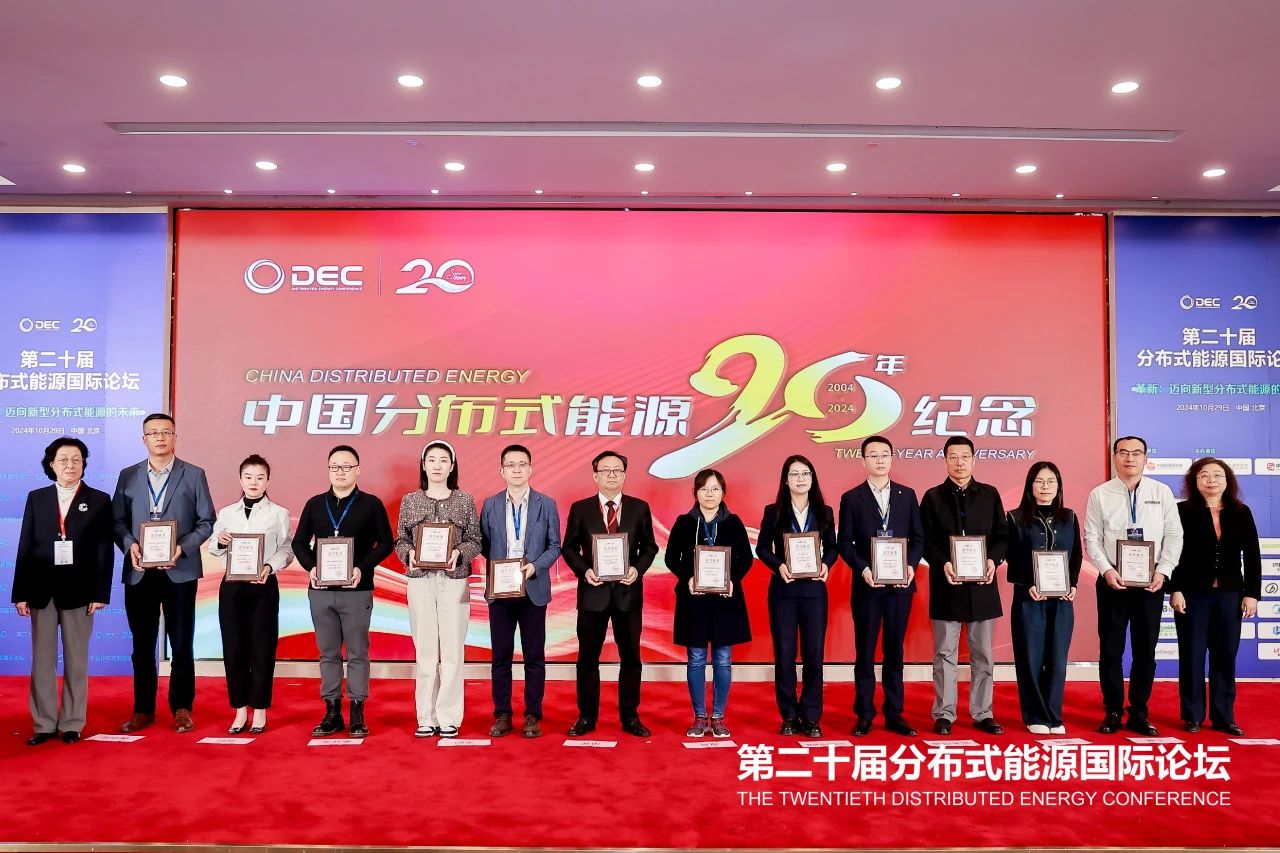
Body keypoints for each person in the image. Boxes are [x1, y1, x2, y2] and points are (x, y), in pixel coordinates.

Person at [112, 413, 215, 734]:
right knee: (142, 645)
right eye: (153, 433)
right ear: (144, 439)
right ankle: (143, 709)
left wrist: (182, 548)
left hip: (179, 571)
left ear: (175, 437)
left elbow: (206, 521)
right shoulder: (128, 475)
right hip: (139, 571)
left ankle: (182, 709)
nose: (160, 437)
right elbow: (117, 521)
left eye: (166, 432)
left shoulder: (194, 474)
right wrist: (129, 545)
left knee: (182, 644)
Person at [12, 437, 114, 745]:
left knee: (76, 660)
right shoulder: (37, 498)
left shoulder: (99, 500)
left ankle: (72, 722)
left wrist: (100, 593)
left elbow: (104, 551)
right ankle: (43, 724)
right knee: (42, 660)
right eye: (64, 459)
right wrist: (20, 592)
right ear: (52, 464)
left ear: (84, 463)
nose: (71, 464)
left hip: (81, 592)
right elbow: (25, 546)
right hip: (41, 590)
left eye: (77, 459)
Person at [1084, 435, 1183, 736]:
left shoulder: (1161, 492)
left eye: (1136, 453)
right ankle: (1113, 710)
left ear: (1145, 458)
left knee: (1145, 650)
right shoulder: (1100, 494)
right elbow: (1092, 538)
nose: (1130, 458)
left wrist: (1163, 572)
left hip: (1151, 582)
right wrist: (1105, 570)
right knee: (1110, 650)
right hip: (1113, 581)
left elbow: (1174, 535)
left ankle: (1139, 712)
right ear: (1114, 457)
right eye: (1123, 452)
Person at [293, 445, 394, 739]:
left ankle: (358, 711)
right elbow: (299, 542)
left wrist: (362, 567)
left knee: (358, 652)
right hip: (321, 590)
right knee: (327, 652)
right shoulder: (315, 504)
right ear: (328, 470)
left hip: (356, 590)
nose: (340, 472)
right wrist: (311, 567)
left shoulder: (371, 504)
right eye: (335, 467)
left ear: (357, 470)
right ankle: (332, 711)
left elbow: (385, 543)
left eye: (347, 467)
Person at [561, 450, 659, 738]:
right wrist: (584, 571)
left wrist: (637, 569)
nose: (612, 475)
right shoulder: (581, 508)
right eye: (605, 470)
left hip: (628, 593)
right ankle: (586, 717)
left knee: (631, 658)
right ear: (595, 476)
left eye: (617, 470)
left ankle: (630, 717)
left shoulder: (639, 508)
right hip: (592, 594)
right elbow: (569, 547)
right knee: (587, 659)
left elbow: (650, 547)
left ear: (625, 475)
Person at [919, 435, 1009, 736]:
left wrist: (993, 560)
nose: (960, 462)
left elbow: (1002, 536)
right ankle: (944, 713)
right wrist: (943, 562)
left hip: (983, 587)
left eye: (965, 457)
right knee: (945, 653)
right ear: (945, 460)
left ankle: (983, 713)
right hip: (946, 585)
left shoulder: (990, 494)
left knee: (983, 653)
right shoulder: (932, 497)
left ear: (973, 459)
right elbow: (925, 540)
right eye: (953, 457)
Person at [837, 435, 925, 738]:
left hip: (900, 587)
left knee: (894, 651)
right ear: (863, 461)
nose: (879, 460)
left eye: (884, 454)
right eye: (873, 455)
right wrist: (863, 569)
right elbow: (844, 543)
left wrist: (910, 566)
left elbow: (919, 538)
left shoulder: (907, 495)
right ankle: (864, 714)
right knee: (865, 651)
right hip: (868, 587)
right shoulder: (852, 497)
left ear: (891, 458)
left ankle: (894, 713)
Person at [393, 440, 482, 738]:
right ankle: (426, 716)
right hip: (420, 580)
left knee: (453, 650)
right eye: (431, 459)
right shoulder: (410, 500)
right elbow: (400, 540)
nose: (437, 465)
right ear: (423, 465)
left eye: (443, 460)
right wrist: (409, 554)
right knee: (425, 650)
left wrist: (459, 553)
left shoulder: (465, 500)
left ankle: (448, 716)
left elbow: (475, 540)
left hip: (454, 581)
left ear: (452, 466)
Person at [1170, 457, 1261, 735]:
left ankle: (1224, 716)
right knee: (1192, 655)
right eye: (1204, 475)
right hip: (1192, 594)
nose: (1211, 480)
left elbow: (1253, 555)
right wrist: (1175, 588)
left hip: (1230, 595)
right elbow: (1172, 553)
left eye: (1217, 475)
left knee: (1225, 655)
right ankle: (1193, 715)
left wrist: (1252, 594)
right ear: (1194, 481)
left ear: (1227, 480)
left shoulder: (1241, 512)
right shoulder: (1181, 511)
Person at [478, 444, 561, 738]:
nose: (516, 469)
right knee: (500, 655)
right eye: (510, 465)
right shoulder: (490, 504)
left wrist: (535, 567)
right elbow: (484, 544)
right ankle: (502, 714)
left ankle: (532, 714)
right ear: (501, 471)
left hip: (533, 589)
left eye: (522, 464)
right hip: (501, 591)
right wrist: (502, 569)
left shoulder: (546, 503)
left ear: (530, 469)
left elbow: (555, 546)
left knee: (534, 655)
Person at [207, 455, 294, 734]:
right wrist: (220, 542)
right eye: (248, 477)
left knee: (262, 648)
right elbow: (213, 547)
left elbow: (287, 549)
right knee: (234, 648)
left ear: (268, 480)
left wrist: (269, 566)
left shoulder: (278, 513)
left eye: (259, 477)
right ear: (240, 479)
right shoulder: (226, 513)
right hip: (232, 587)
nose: (253, 482)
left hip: (263, 585)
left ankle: (259, 709)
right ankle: (239, 709)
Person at [664, 469, 754, 739]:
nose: (710, 494)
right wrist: (688, 577)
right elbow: (671, 558)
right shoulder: (684, 523)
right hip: (694, 601)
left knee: (723, 659)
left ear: (723, 492)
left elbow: (745, 558)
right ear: (696, 493)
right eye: (704, 489)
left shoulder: (733, 523)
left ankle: (718, 717)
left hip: (726, 600)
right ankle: (699, 716)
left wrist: (732, 580)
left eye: (715, 489)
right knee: (696, 658)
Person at [756, 454, 838, 738]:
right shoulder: (773, 511)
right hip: (784, 591)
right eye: (794, 474)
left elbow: (833, 547)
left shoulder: (825, 511)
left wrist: (826, 564)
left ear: (812, 479)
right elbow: (762, 548)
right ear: (785, 480)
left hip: (814, 592)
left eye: (805, 473)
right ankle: (789, 716)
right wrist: (778, 566)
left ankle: (812, 716)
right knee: (785, 654)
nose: (800, 479)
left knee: (814, 655)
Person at [1005, 461, 1081, 735]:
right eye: (1039, 481)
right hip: (1029, 598)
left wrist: (1072, 584)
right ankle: (1035, 715)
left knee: (1057, 658)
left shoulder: (1069, 517)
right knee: (1031, 656)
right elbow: (1011, 558)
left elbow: (1076, 555)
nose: (1045, 487)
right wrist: (1028, 584)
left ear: (1058, 486)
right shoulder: (1015, 518)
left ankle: (1054, 716)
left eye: (1051, 482)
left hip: (1062, 599)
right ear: (1030, 485)